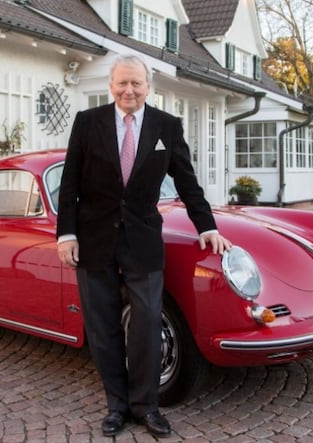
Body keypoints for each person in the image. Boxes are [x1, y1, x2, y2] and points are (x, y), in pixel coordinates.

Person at [56, 53, 232, 438]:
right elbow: (69, 184)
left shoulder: (166, 126)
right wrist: (66, 234)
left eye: (136, 83)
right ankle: (116, 407)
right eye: (122, 83)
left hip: (143, 238)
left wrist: (207, 226)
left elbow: (187, 181)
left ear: (148, 87)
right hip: (93, 240)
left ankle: (146, 406)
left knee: (148, 322)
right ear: (111, 86)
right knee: (102, 326)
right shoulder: (88, 122)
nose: (129, 90)